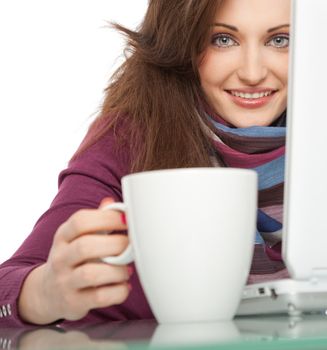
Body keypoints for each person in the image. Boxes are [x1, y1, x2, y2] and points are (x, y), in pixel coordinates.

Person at [0, 0, 290, 327]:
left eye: (280, 40)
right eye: (222, 40)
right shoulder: (130, 140)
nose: (253, 73)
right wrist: (44, 293)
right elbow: (6, 287)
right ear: (181, 44)